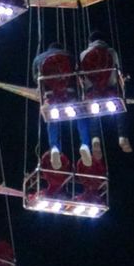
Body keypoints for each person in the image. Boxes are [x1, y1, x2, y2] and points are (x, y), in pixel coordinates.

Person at [33, 41, 93, 170]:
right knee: (81, 115)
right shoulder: (69, 56)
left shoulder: (39, 59)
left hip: (50, 96)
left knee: (52, 119)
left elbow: (35, 79)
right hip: (69, 94)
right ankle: (85, 144)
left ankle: (55, 147)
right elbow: (78, 76)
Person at [80, 30, 132, 153]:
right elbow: (118, 71)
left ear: (89, 42)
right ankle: (122, 136)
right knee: (120, 108)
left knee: (93, 113)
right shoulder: (111, 52)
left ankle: (95, 138)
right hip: (110, 90)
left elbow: (82, 75)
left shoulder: (83, 54)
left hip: (92, 92)